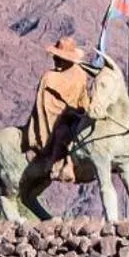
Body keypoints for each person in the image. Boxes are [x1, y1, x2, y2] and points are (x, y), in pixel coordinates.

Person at [22, 35, 91, 190]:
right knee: (62, 131)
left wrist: (84, 111)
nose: (55, 60)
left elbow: (83, 97)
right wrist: (65, 113)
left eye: (59, 57)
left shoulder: (80, 74)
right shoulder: (49, 78)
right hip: (55, 119)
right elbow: (44, 105)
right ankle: (57, 166)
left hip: (78, 115)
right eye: (55, 57)